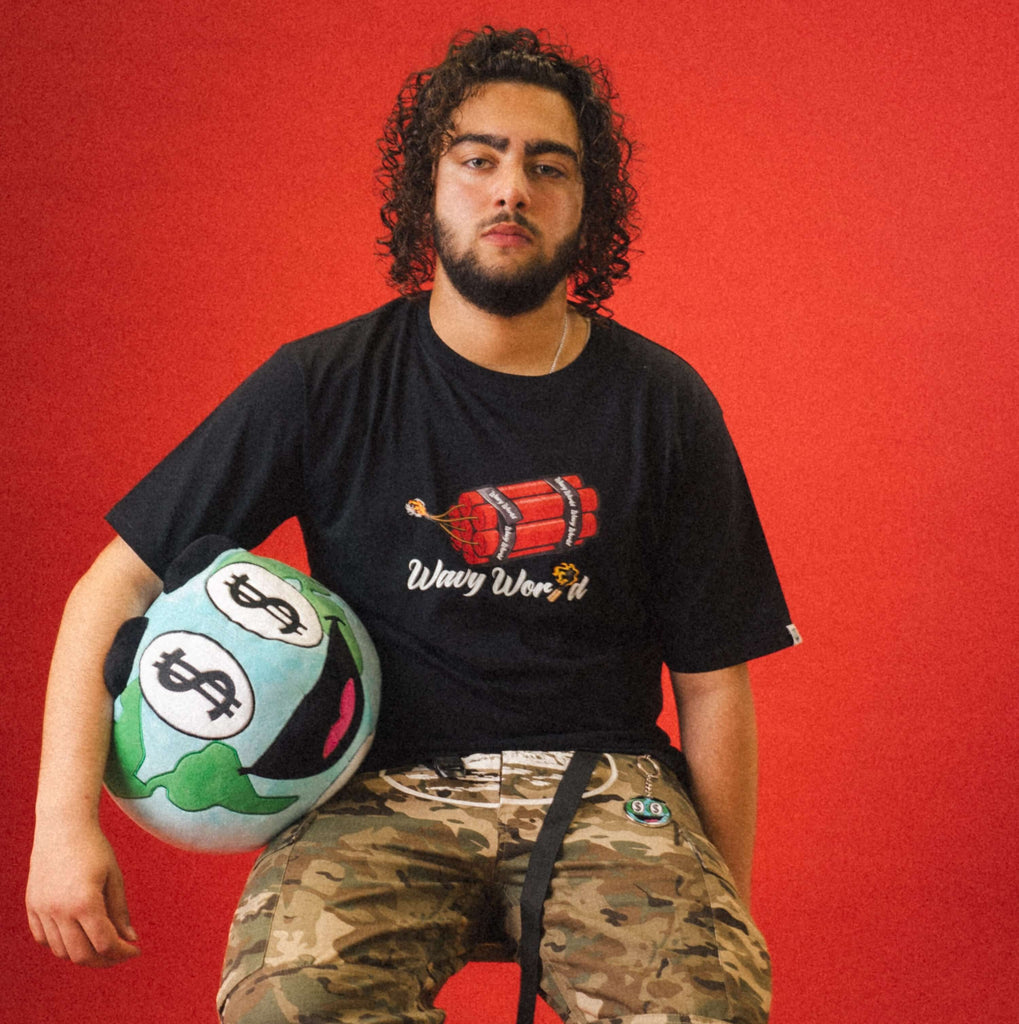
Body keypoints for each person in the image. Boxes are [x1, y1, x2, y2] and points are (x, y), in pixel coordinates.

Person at [26, 26, 800, 1024]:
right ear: (427, 188)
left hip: (605, 790)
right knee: (281, 1010)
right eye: (477, 158)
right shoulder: (324, 382)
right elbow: (111, 587)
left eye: (544, 165)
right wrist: (60, 823)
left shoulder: (661, 402)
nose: (508, 189)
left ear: (584, 204)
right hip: (370, 793)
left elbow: (711, 682)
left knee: (704, 1007)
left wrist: (719, 906)